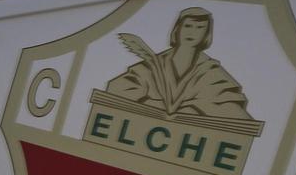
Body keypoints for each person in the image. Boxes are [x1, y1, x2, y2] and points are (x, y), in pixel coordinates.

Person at [106, 7, 253, 119]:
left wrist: (192, 109)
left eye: (200, 28)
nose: (193, 32)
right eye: (188, 26)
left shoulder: (212, 72)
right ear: (178, 29)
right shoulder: (155, 64)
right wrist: (152, 103)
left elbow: (233, 111)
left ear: (206, 34)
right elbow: (117, 89)